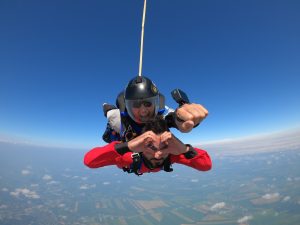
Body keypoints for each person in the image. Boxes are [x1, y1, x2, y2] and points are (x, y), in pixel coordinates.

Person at [84, 116, 212, 175]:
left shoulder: (172, 155)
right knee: (113, 119)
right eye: (152, 148)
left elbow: (206, 166)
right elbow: (90, 161)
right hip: (126, 140)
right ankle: (109, 110)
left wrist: (184, 149)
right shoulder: (130, 157)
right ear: (142, 146)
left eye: (164, 148)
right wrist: (128, 146)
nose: (158, 155)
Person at [102, 75, 208, 143]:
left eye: (148, 103)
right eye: (136, 105)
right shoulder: (116, 117)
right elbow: (108, 109)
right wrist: (106, 107)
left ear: (156, 103)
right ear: (127, 106)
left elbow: (174, 117)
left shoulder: (162, 114)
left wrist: (186, 118)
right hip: (123, 137)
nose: (143, 111)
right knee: (110, 135)